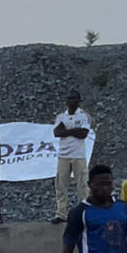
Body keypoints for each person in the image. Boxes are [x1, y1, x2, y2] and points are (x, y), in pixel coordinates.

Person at [52, 91, 93, 219]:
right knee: (61, 185)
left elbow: (83, 134)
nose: (72, 101)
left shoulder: (84, 116)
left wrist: (66, 130)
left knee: (82, 184)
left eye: (74, 98)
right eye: (70, 98)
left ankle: (85, 212)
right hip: (63, 155)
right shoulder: (60, 116)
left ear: (79, 100)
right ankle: (61, 213)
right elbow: (56, 132)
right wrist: (74, 130)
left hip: (78, 155)